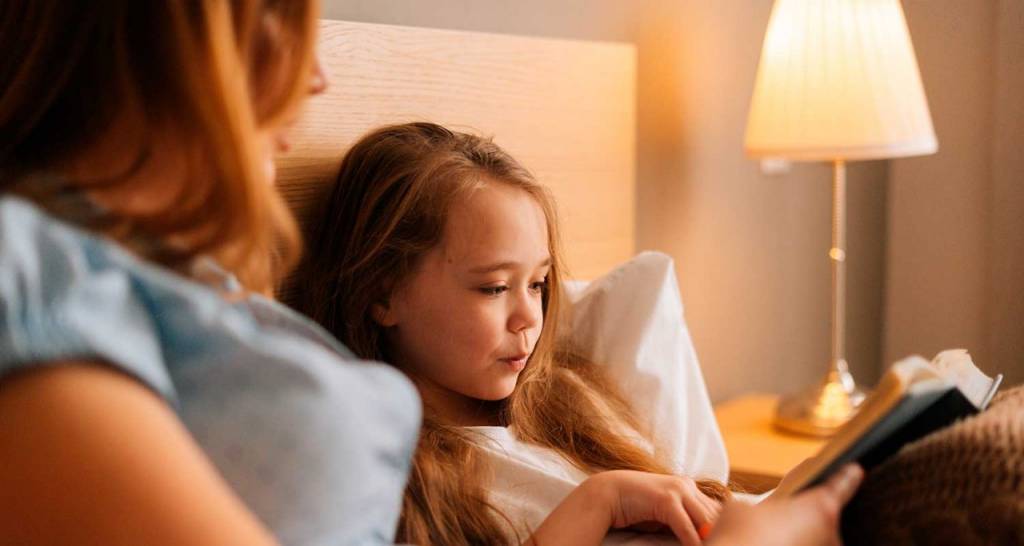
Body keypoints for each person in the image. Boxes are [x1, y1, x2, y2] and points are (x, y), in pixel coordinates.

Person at [0, 1, 861, 545]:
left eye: (539, 285)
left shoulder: (149, 286)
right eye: (277, 17)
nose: (319, 74)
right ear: (163, 37)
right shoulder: (32, 284)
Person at [293, 121, 857, 546]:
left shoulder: (566, 403)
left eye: (538, 284)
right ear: (380, 294)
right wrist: (598, 502)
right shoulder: (391, 471)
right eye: (493, 288)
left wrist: (787, 496)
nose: (529, 319)